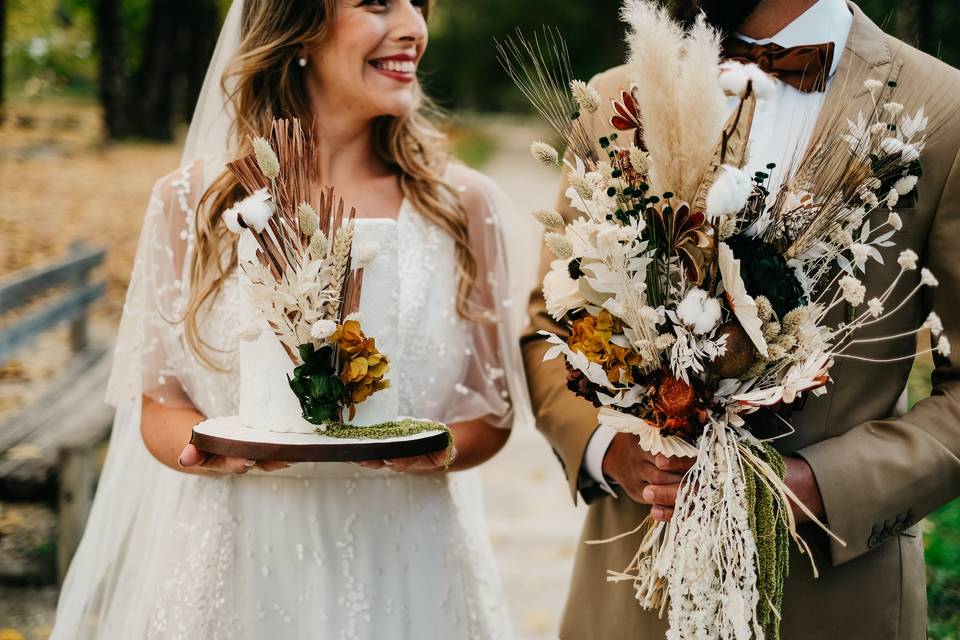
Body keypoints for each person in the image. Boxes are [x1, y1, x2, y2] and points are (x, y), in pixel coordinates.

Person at [52, 1, 529, 637]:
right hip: (241, 564)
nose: (414, 25)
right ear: (297, 29)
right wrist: (205, 449)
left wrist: (437, 449)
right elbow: (159, 404)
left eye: (420, 2)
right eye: (379, 3)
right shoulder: (191, 202)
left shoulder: (460, 206)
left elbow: (491, 415)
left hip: (407, 562)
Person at [521, 0, 960, 637]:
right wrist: (606, 448)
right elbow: (548, 320)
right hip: (628, 601)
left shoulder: (942, 111)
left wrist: (823, 487)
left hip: (832, 603)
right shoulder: (615, 98)